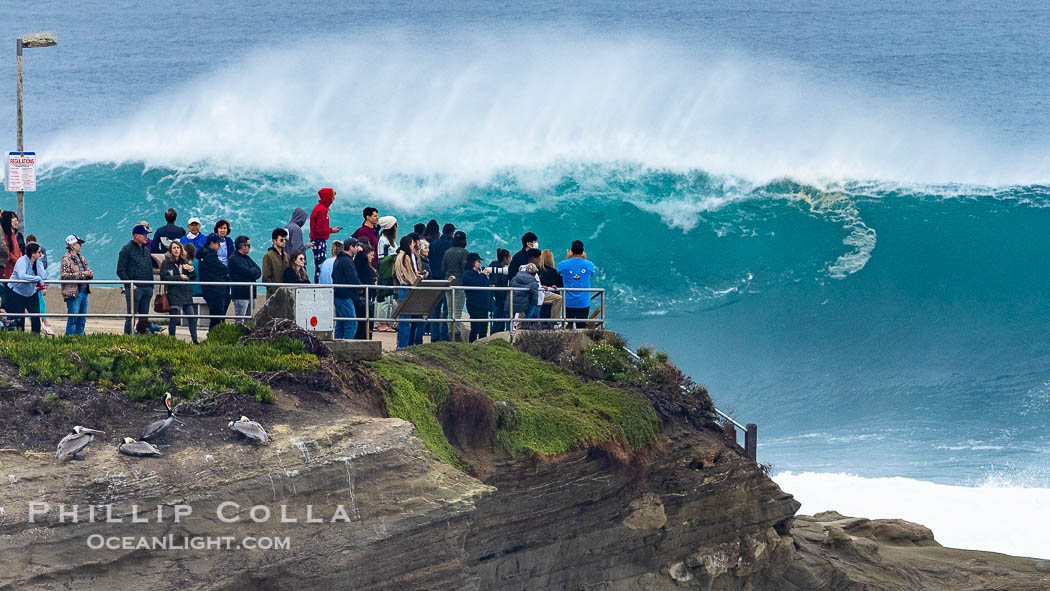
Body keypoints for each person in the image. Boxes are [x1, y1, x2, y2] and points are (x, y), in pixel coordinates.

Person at [116, 224, 156, 334]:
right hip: (134, 288)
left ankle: (143, 337)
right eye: (143, 235)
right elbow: (120, 270)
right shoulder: (126, 250)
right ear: (136, 236)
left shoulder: (147, 250)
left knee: (144, 317)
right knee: (131, 315)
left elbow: (149, 268)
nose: (146, 237)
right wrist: (130, 284)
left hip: (147, 288)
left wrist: (151, 285)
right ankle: (128, 337)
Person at [159, 241, 199, 343]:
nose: (176, 250)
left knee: (191, 316)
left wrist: (191, 270)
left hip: (185, 292)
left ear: (181, 249)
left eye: (178, 248)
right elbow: (163, 278)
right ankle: (172, 340)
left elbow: (193, 277)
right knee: (174, 318)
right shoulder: (166, 262)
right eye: (174, 248)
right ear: (170, 250)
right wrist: (179, 277)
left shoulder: (184, 261)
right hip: (173, 293)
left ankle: (195, 339)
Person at [6, 242, 46, 333]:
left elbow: (43, 276)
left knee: (35, 315)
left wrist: (39, 262)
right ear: (33, 253)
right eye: (39, 252)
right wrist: (37, 278)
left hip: (31, 292)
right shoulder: (22, 261)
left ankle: (36, 336)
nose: (41, 254)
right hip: (17, 292)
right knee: (19, 317)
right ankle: (21, 336)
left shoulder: (37, 262)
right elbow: (22, 276)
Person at [557, 240, 597, 328]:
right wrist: (585, 258)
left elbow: (559, 270)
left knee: (567, 327)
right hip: (583, 301)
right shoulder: (589, 264)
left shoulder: (564, 264)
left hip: (568, 301)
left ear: (571, 250)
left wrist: (567, 258)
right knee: (581, 327)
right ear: (583, 251)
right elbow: (592, 273)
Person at [60, 235, 93, 336]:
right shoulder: (66, 260)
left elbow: (85, 270)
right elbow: (64, 276)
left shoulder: (81, 258)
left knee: (82, 319)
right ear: (73, 245)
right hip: (74, 293)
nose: (81, 246)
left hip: (83, 291)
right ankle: (70, 339)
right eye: (79, 244)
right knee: (73, 319)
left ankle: (79, 339)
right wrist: (83, 274)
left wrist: (89, 274)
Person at [427, 222, 455, 341]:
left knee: (435, 308)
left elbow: (430, 259)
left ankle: (434, 336)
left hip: (434, 278)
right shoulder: (451, 245)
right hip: (446, 279)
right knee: (447, 309)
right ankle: (444, 336)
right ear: (452, 232)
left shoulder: (434, 243)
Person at [394, 234, 422, 349]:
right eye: (411, 243)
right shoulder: (405, 257)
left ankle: (401, 345)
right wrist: (418, 281)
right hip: (406, 288)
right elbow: (410, 275)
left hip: (402, 287)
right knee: (406, 321)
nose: (413, 246)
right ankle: (403, 346)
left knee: (404, 320)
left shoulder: (399, 256)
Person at [332, 237, 363, 339]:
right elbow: (352, 277)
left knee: (341, 324)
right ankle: (348, 347)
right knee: (351, 323)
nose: (358, 249)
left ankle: (337, 346)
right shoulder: (347, 261)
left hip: (338, 295)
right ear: (351, 247)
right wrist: (360, 288)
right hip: (345, 296)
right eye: (356, 246)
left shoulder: (339, 259)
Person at [309, 188, 342, 283]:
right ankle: (319, 285)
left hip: (316, 239)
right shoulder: (322, 210)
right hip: (319, 240)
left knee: (319, 264)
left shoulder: (320, 208)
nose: (333, 199)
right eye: (332, 197)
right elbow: (319, 230)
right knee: (320, 265)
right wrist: (332, 230)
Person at [25, 234, 55, 335]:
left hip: (37, 283)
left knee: (41, 302)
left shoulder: (40, 254)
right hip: (30, 284)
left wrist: (43, 285)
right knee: (33, 305)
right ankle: (39, 323)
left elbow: (43, 271)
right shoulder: (24, 257)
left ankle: (44, 322)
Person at [442, 231, 469, 342]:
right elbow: (464, 267)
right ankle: (456, 335)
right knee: (457, 311)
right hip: (459, 285)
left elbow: (443, 268)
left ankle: (450, 334)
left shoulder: (448, 252)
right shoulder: (464, 252)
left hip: (448, 283)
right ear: (463, 240)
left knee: (450, 311)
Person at [198, 234, 230, 328]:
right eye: (218, 243)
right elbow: (221, 268)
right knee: (216, 316)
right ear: (212, 244)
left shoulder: (205, 254)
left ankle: (215, 335)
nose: (219, 246)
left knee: (217, 315)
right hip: (214, 290)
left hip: (211, 289)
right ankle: (214, 336)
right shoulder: (209, 255)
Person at [228, 235, 261, 323]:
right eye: (248, 245)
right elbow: (247, 272)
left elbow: (258, 271)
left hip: (251, 294)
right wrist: (251, 272)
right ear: (243, 246)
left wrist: (251, 272)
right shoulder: (233, 259)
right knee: (240, 320)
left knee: (250, 320)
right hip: (241, 294)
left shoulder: (247, 258)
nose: (249, 248)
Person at [462, 253, 491, 342]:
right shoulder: (467, 274)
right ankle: (472, 344)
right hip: (475, 304)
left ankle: (482, 345)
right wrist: (483, 275)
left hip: (483, 305)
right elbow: (476, 285)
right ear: (472, 262)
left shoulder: (477, 273)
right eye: (478, 261)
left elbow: (485, 284)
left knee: (483, 328)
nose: (480, 263)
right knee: (475, 328)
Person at [354, 243, 377, 339]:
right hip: (363, 296)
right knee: (364, 323)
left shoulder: (361, 265)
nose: (372, 257)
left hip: (366, 296)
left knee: (364, 323)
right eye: (371, 255)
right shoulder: (362, 265)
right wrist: (360, 252)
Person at [538, 249, 565, 326]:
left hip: (540, 300)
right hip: (552, 303)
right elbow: (561, 286)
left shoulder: (538, 271)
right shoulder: (555, 272)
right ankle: (555, 323)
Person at [509, 263, 541, 328]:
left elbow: (511, 285)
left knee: (519, 320)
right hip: (528, 303)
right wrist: (535, 303)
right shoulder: (533, 281)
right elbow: (534, 296)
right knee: (529, 319)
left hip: (517, 301)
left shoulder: (517, 277)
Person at [488, 249, 512, 334]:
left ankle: (496, 335)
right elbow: (497, 283)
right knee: (499, 318)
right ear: (505, 258)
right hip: (500, 298)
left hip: (498, 297)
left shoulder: (495, 267)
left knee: (499, 319)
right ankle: (495, 336)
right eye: (509, 257)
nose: (510, 259)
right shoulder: (498, 270)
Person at [262, 228, 290, 298]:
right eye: (281, 240)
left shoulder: (286, 256)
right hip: (273, 295)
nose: (284, 242)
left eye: (285, 240)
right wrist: (274, 291)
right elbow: (265, 278)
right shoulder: (268, 256)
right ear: (274, 241)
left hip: (285, 294)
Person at [1, 211, 24, 283]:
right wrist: (17, 261)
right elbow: (8, 250)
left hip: (16, 265)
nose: (16, 223)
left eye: (17, 220)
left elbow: (18, 249)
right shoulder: (6, 235)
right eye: (14, 220)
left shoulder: (13, 233)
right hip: (9, 266)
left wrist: (20, 259)